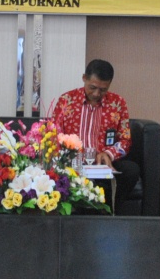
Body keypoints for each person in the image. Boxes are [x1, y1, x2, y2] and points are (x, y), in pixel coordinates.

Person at [50, 59, 139, 211]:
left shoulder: (118, 103)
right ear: (84, 78)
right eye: (92, 88)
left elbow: (125, 140)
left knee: (131, 170)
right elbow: (54, 135)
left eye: (103, 90)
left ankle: (109, 210)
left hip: (103, 163)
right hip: (74, 162)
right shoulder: (67, 100)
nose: (97, 94)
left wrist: (109, 153)